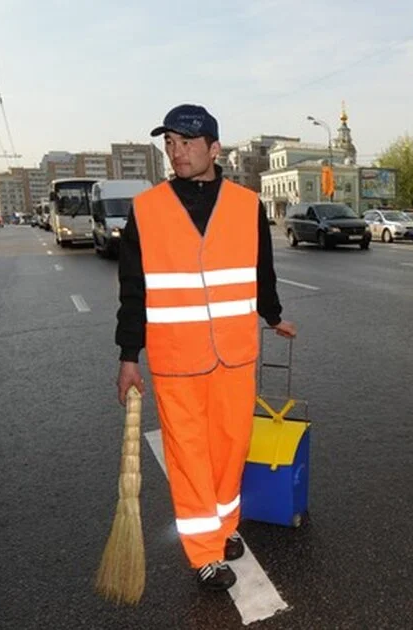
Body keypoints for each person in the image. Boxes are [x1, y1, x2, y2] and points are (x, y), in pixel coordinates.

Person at [115, 104, 297, 591]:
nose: (177, 152)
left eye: (187, 142)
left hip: (235, 354)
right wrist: (128, 356)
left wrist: (273, 316)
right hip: (176, 359)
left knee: (230, 449)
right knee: (189, 453)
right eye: (170, 143)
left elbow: (262, 270)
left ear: (214, 149)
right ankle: (204, 552)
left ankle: (224, 526)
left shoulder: (246, 204)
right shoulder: (147, 208)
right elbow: (133, 289)